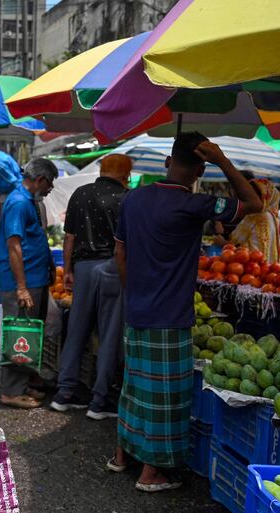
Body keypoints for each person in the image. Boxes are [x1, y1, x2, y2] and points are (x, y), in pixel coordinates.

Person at [111, 133, 261, 491]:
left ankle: (121, 456)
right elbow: (254, 202)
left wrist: (136, 293)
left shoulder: (133, 199)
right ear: (199, 169)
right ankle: (151, 473)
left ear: (167, 161)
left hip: (137, 311)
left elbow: (120, 254)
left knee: (134, 389)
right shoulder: (194, 205)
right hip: (169, 316)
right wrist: (222, 159)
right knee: (166, 398)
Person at [50, 154, 132, 419]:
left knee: (76, 330)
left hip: (83, 269)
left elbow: (69, 237)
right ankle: (99, 402)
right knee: (109, 334)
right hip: (112, 268)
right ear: (125, 175)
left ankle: (63, 394)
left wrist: (69, 270)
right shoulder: (126, 199)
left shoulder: (80, 194)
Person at [0, 158, 59, 409]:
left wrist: (50, 267)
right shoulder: (19, 202)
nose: (50, 189)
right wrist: (21, 287)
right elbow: (14, 245)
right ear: (41, 180)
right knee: (19, 332)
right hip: (22, 281)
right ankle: (11, 391)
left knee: (39, 327)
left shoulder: (28, 201)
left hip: (35, 277)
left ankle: (27, 379)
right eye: (50, 183)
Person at [214, 176, 280, 263]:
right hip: (270, 271)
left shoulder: (255, 216)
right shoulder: (275, 218)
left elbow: (237, 245)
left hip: (252, 269)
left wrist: (222, 242)